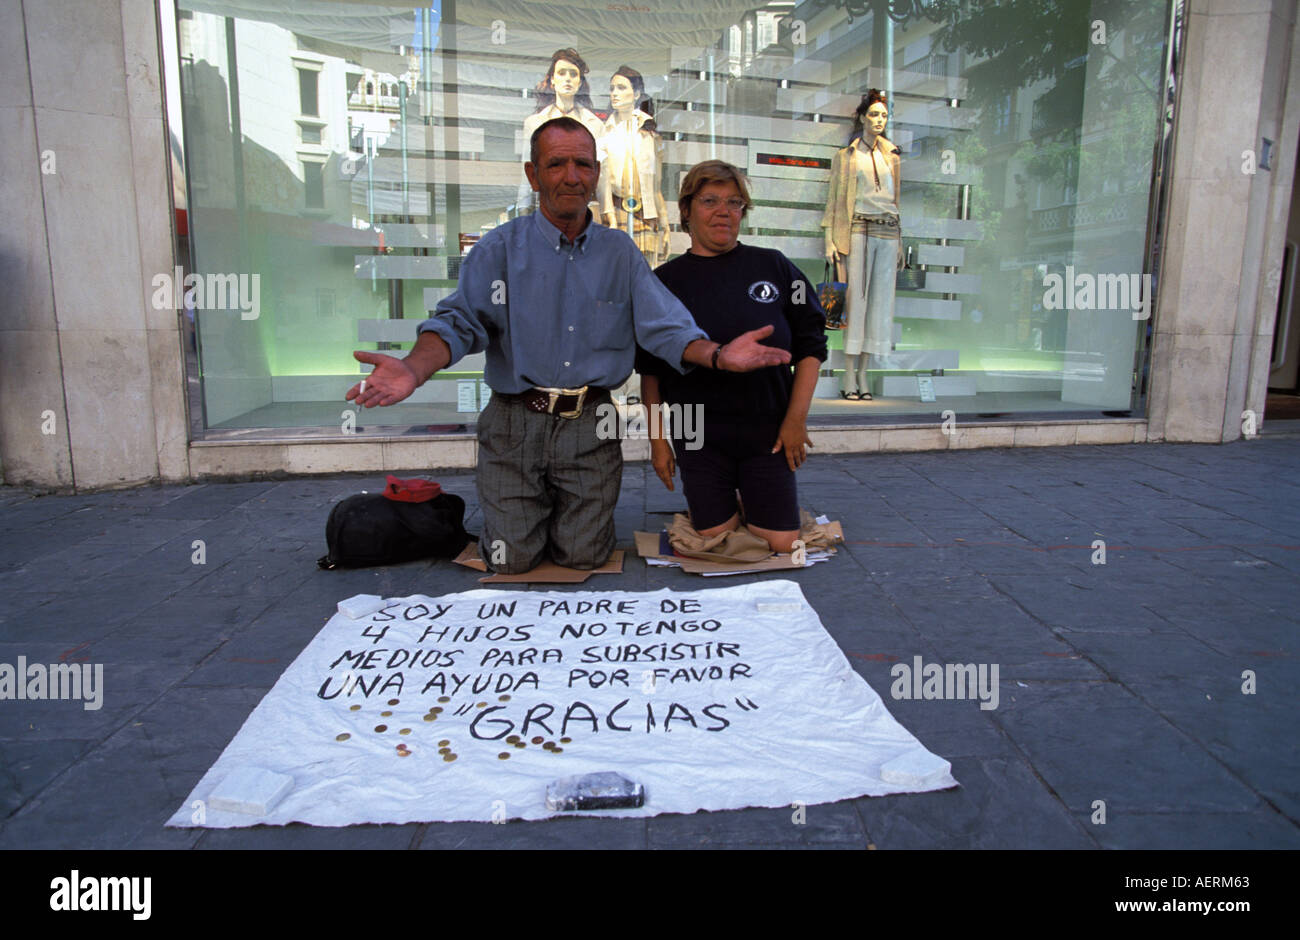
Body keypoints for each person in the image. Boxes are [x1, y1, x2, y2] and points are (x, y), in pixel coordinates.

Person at [347, 119, 791, 574]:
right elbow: (458, 322)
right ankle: (519, 515)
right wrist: (412, 369)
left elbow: (667, 328)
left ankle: (556, 517)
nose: (571, 175)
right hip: (514, 421)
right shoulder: (499, 248)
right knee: (511, 560)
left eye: (582, 163)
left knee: (583, 556)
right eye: (556, 163)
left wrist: (717, 355)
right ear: (532, 174)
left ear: (596, 173)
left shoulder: (620, 253)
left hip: (590, 424)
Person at [639, 161, 827, 553]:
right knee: (713, 538)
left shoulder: (774, 266)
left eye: (734, 202)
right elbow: (651, 371)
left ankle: (758, 499)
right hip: (700, 436)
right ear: (686, 210)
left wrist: (795, 420)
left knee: (780, 543)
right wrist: (659, 443)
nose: (723, 211)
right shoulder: (663, 282)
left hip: (768, 432)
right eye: (710, 200)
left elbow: (811, 346)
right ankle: (732, 502)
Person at [822, 89, 903, 401]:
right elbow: (833, 202)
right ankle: (849, 374)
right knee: (856, 304)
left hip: (888, 230)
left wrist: (899, 242)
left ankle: (864, 374)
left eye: (883, 115)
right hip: (857, 229)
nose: (879, 120)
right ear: (861, 117)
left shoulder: (892, 156)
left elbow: (897, 202)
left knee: (880, 306)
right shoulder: (847, 157)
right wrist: (830, 237)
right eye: (873, 114)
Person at [517, 49, 604, 216]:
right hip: (545, 208)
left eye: (573, 74)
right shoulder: (534, 123)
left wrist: (607, 215)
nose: (568, 79)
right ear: (552, 80)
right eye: (562, 73)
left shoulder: (595, 125)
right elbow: (525, 177)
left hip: (584, 209)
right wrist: (523, 215)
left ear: (579, 82)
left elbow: (600, 177)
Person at [599, 66, 669, 266]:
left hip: (646, 215)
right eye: (612, 89)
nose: (614, 94)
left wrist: (665, 225)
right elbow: (602, 181)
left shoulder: (650, 133)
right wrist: (609, 218)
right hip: (616, 213)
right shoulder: (604, 133)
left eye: (621, 88)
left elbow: (656, 185)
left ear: (636, 94)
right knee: (614, 275)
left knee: (647, 275)